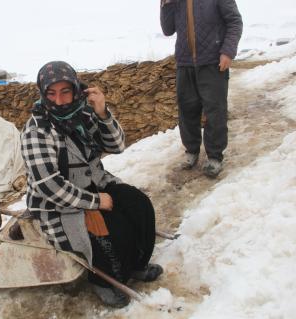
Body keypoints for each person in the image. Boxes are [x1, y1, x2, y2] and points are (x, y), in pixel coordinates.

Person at [20, 61, 163, 308]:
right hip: (57, 203)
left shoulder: (83, 114)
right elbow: (48, 185)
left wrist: (103, 113)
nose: (60, 101)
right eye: (52, 93)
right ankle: (103, 281)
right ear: (43, 94)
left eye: (65, 91)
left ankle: (137, 265)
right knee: (111, 233)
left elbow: (117, 146)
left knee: (139, 206)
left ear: (77, 90)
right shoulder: (37, 132)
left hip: (95, 183)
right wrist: (95, 202)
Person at [160, 0, 243, 177]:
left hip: (213, 62)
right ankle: (191, 150)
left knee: (215, 111)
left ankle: (214, 156)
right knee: (187, 109)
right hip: (185, 62)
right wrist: (166, 4)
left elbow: (235, 21)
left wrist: (228, 51)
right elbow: (168, 30)